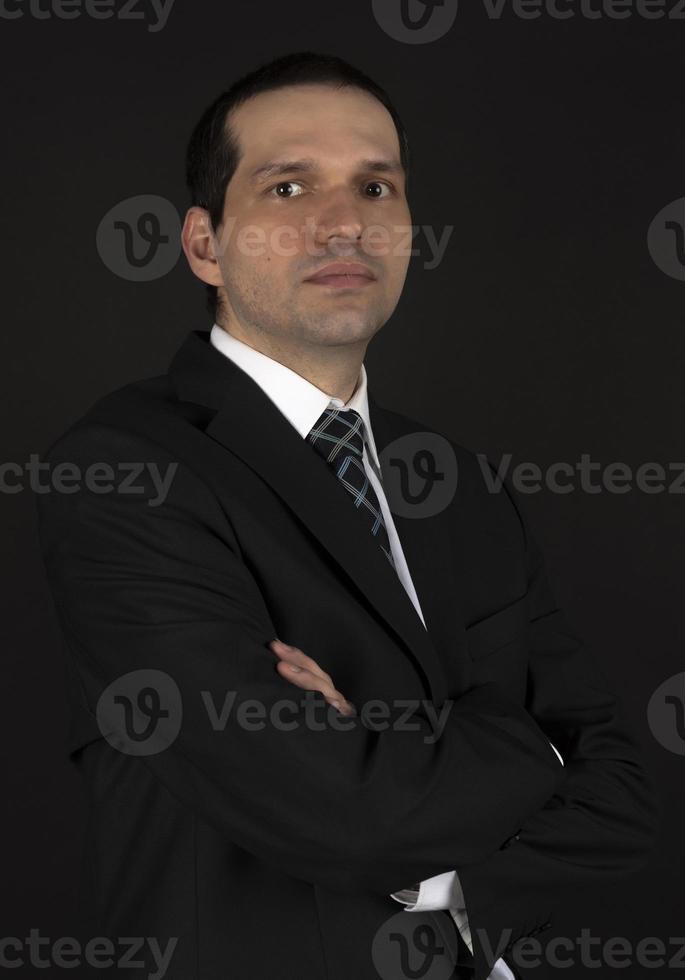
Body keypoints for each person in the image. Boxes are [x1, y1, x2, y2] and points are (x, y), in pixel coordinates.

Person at [37, 51, 659, 980]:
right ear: (205, 244)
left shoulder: (458, 481)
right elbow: (336, 810)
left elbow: (624, 795)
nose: (342, 224)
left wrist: (389, 767)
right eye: (288, 186)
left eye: (376, 186)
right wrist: (534, 747)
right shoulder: (123, 472)